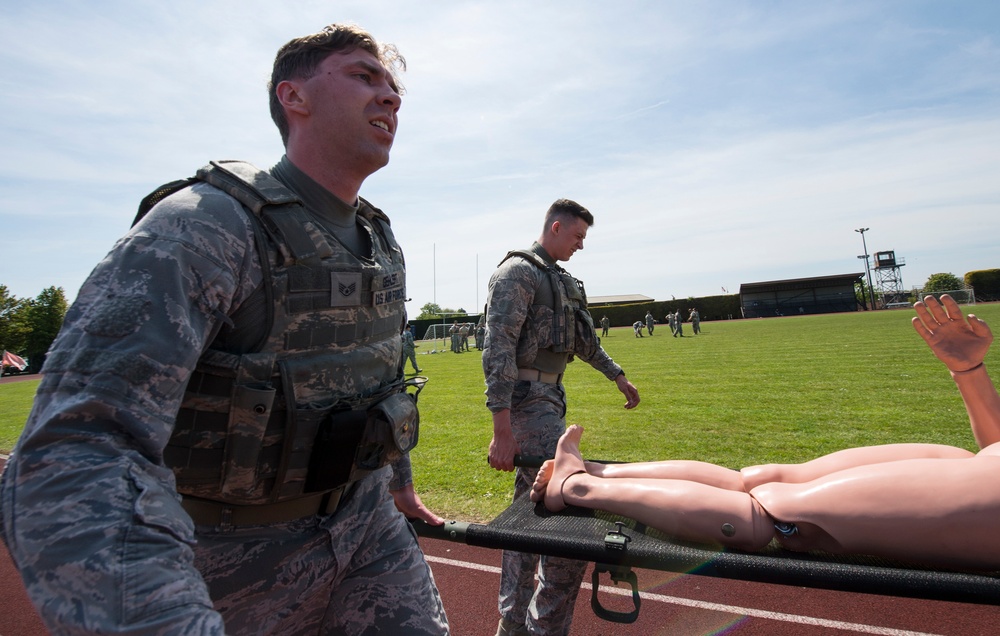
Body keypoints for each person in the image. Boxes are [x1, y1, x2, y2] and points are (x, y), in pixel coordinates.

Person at [0, 24, 450, 634]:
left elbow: (377, 379)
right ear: (294, 97)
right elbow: (77, 448)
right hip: (232, 561)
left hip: (367, 532)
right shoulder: (205, 226)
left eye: (393, 86)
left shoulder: (379, 241)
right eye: (362, 76)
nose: (391, 97)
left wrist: (398, 483)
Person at [531, 295, 1000, 571]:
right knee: (761, 478)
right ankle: (591, 470)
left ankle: (577, 486)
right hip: (982, 469)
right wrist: (970, 371)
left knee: (773, 515)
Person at [483, 198, 640, 636]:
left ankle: (512, 623)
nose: (581, 245)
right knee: (566, 505)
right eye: (577, 236)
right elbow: (497, 350)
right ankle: (540, 626)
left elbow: (584, 340)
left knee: (525, 514)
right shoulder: (517, 273)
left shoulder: (561, 279)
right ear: (555, 227)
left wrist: (618, 376)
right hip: (527, 403)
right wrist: (502, 429)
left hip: (551, 398)